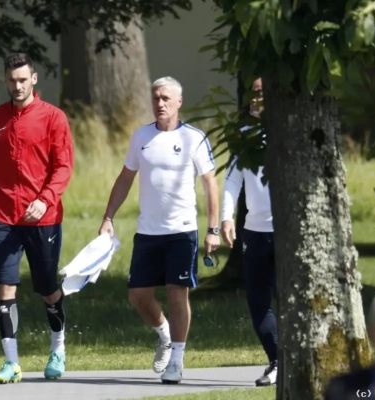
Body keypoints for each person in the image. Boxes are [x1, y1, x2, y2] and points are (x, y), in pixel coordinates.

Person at [98, 76, 221, 384]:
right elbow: (125, 178)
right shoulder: (141, 136)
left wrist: (213, 229)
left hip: (182, 231)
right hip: (148, 232)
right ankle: (165, 335)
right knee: (137, 295)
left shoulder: (194, 138)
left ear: (179, 102)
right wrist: (108, 217)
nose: (160, 103)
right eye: (155, 98)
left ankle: (177, 358)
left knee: (177, 292)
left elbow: (210, 183)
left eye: (166, 98)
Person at [0, 53, 74, 383]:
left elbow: (63, 167)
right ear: (5, 81)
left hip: (42, 219)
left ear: (34, 79)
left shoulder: (53, 118)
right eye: (12, 80)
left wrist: (45, 200)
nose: (17, 86)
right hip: (4, 217)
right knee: (4, 288)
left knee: (47, 288)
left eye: (23, 79)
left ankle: (58, 348)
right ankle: (11, 362)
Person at [220, 77, 278, 387]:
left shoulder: (289, 134)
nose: (256, 98)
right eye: (253, 93)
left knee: (289, 298)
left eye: (262, 93)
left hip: (286, 233)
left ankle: (293, 360)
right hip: (254, 231)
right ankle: (277, 360)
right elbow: (232, 179)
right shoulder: (244, 135)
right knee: (258, 302)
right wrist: (226, 218)